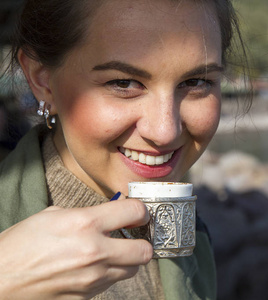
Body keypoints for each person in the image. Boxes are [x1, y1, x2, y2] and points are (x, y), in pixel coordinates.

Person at [0, 0, 249, 299]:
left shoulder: (189, 230)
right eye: (124, 83)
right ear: (42, 81)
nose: (165, 131)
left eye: (195, 82)